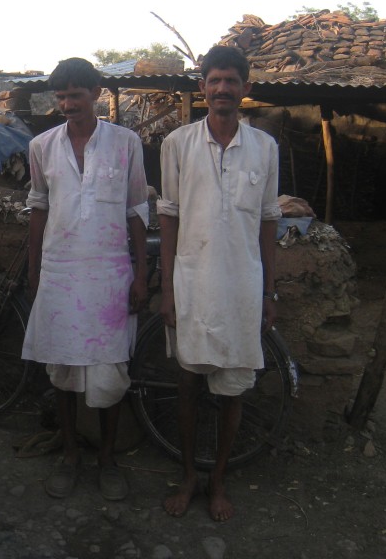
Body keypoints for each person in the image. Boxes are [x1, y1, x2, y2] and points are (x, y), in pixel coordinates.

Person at [157, 44, 281, 521]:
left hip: (243, 287)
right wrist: (167, 288)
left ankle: (219, 480)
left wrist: (270, 291)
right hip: (192, 281)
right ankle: (189, 475)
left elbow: (269, 220)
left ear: (245, 89)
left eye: (232, 81)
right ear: (202, 87)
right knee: (188, 383)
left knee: (233, 388)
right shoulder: (178, 144)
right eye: (214, 81)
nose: (222, 89)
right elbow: (167, 217)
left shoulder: (265, 148)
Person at [21, 57, 149, 501]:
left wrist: (141, 273)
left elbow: (136, 210)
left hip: (111, 274)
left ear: (96, 93)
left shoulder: (126, 143)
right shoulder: (41, 146)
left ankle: (108, 459)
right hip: (60, 273)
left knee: (110, 373)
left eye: (76, 95)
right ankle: (71, 454)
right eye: (60, 96)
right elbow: (39, 208)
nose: (67, 104)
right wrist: (35, 273)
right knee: (63, 371)